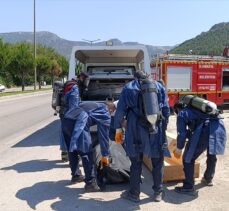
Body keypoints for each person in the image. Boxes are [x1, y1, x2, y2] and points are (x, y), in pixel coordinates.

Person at [114, 71, 170, 202]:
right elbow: (166, 109)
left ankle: (134, 193)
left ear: (135, 77)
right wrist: (163, 128)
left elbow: (120, 111)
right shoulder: (159, 86)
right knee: (157, 161)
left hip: (135, 128)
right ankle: (158, 193)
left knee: (136, 162)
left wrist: (118, 128)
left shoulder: (128, 87)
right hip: (155, 127)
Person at [173, 100, 227, 195]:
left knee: (188, 158)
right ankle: (208, 178)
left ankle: (188, 186)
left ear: (177, 109)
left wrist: (179, 148)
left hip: (205, 129)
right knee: (211, 154)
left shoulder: (182, 113)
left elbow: (182, 134)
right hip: (218, 126)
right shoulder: (199, 109)